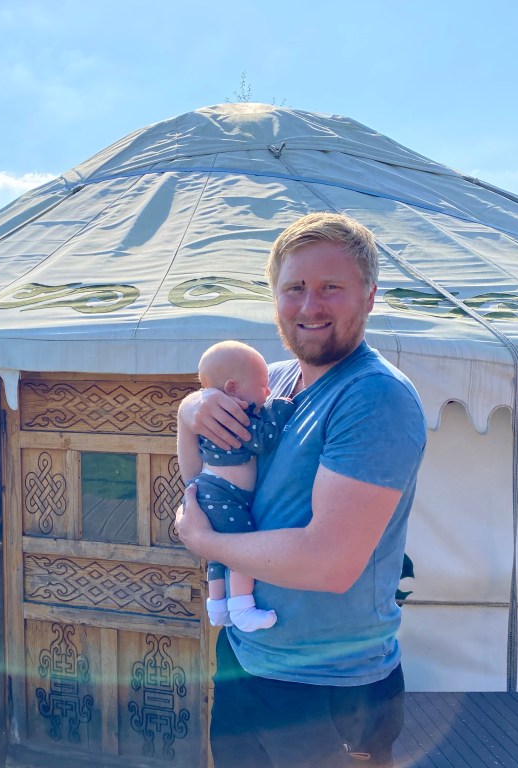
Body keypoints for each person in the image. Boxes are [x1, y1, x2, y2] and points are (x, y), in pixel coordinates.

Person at [174, 212, 427, 767]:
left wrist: (204, 542)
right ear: (275, 297)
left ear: (369, 296)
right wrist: (188, 410)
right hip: (249, 657)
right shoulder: (278, 382)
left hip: (328, 684)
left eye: (331, 287)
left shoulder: (373, 397)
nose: (310, 306)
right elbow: (201, 474)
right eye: (295, 288)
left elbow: (328, 565)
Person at [182, 340, 296, 632]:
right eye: (262, 387)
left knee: (220, 556)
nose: (269, 393)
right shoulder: (235, 418)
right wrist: (280, 409)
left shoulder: (218, 414)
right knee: (239, 548)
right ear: (232, 387)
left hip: (212, 491)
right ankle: (243, 608)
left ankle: (217, 605)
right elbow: (263, 438)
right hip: (224, 494)